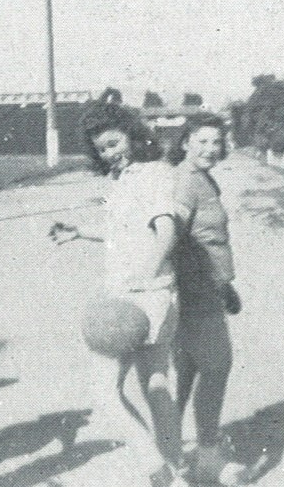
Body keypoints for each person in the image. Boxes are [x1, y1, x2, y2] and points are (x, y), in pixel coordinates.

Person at [82, 100, 186, 487]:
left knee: (104, 392)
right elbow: (123, 234)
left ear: (133, 136)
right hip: (148, 293)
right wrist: (80, 233)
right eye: (103, 149)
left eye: (115, 143)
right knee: (155, 385)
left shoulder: (153, 174)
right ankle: (176, 474)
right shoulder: (119, 180)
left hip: (141, 296)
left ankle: (155, 467)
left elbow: (166, 229)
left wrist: (147, 275)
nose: (111, 153)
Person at [169, 114, 249, 486]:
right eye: (201, 141)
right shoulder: (187, 181)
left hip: (205, 290)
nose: (210, 149)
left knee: (185, 375)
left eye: (216, 142)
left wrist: (226, 287)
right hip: (195, 291)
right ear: (185, 142)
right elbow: (171, 232)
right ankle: (206, 457)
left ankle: (169, 459)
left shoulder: (202, 178)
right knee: (216, 366)